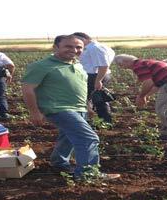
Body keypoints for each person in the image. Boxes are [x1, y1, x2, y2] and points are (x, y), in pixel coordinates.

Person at [21, 35, 120, 180]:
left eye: (79, 47)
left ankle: (59, 162)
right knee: (88, 138)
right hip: (57, 108)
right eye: (68, 46)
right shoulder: (41, 66)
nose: (74, 50)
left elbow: (80, 88)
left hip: (78, 108)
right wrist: (34, 112)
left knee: (67, 136)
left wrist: (87, 105)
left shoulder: (78, 65)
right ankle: (88, 174)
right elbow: (28, 88)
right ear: (55, 47)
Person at [113, 54, 167, 141]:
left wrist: (141, 96)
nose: (123, 68)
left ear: (125, 62)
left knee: (164, 110)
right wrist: (146, 95)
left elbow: (148, 82)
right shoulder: (147, 62)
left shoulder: (138, 65)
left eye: (121, 65)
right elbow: (156, 84)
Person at [72, 32, 116, 123]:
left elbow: (103, 65)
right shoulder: (99, 46)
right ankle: (104, 121)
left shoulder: (94, 48)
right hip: (97, 75)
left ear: (83, 39)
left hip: (95, 76)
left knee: (93, 99)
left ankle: (103, 121)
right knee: (97, 99)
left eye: (76, 41)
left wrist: (98, 80)